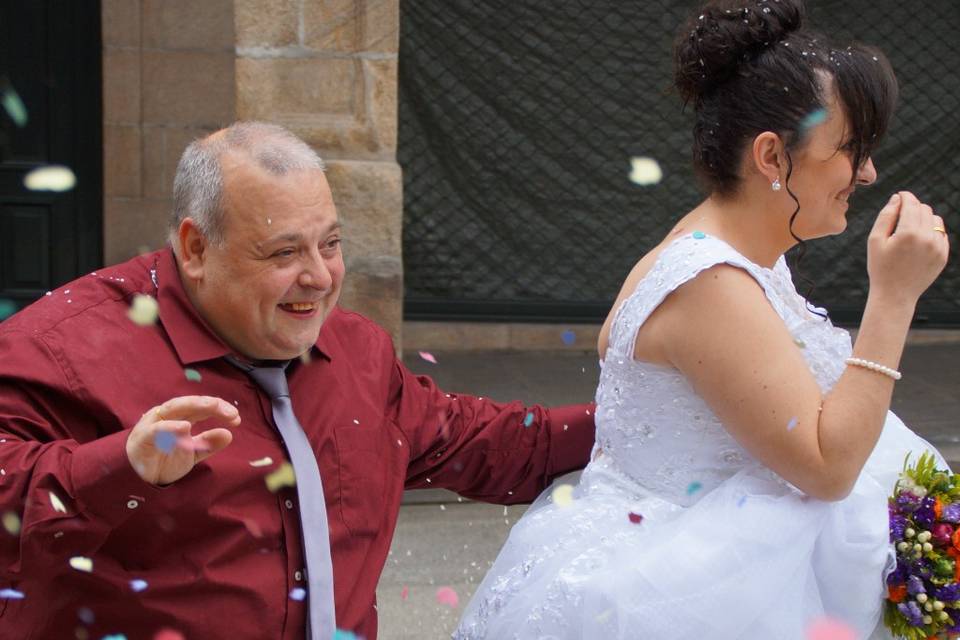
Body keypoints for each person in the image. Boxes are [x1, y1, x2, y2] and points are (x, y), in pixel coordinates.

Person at [455, 1, 950, 638]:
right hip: (682, 590)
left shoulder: (722, 255)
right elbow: (827, 467)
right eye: (850, 149)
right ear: (772, 157)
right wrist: (895, 298)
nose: (868, 172)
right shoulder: (711, 282)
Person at [0, 122, 596, 640]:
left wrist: (645, 420)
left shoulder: (356, 350)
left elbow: (488, 444)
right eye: (284, 253)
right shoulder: (62, 347)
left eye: (330, 244)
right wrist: (118, 468)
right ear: (195, 247)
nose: (318, 277)